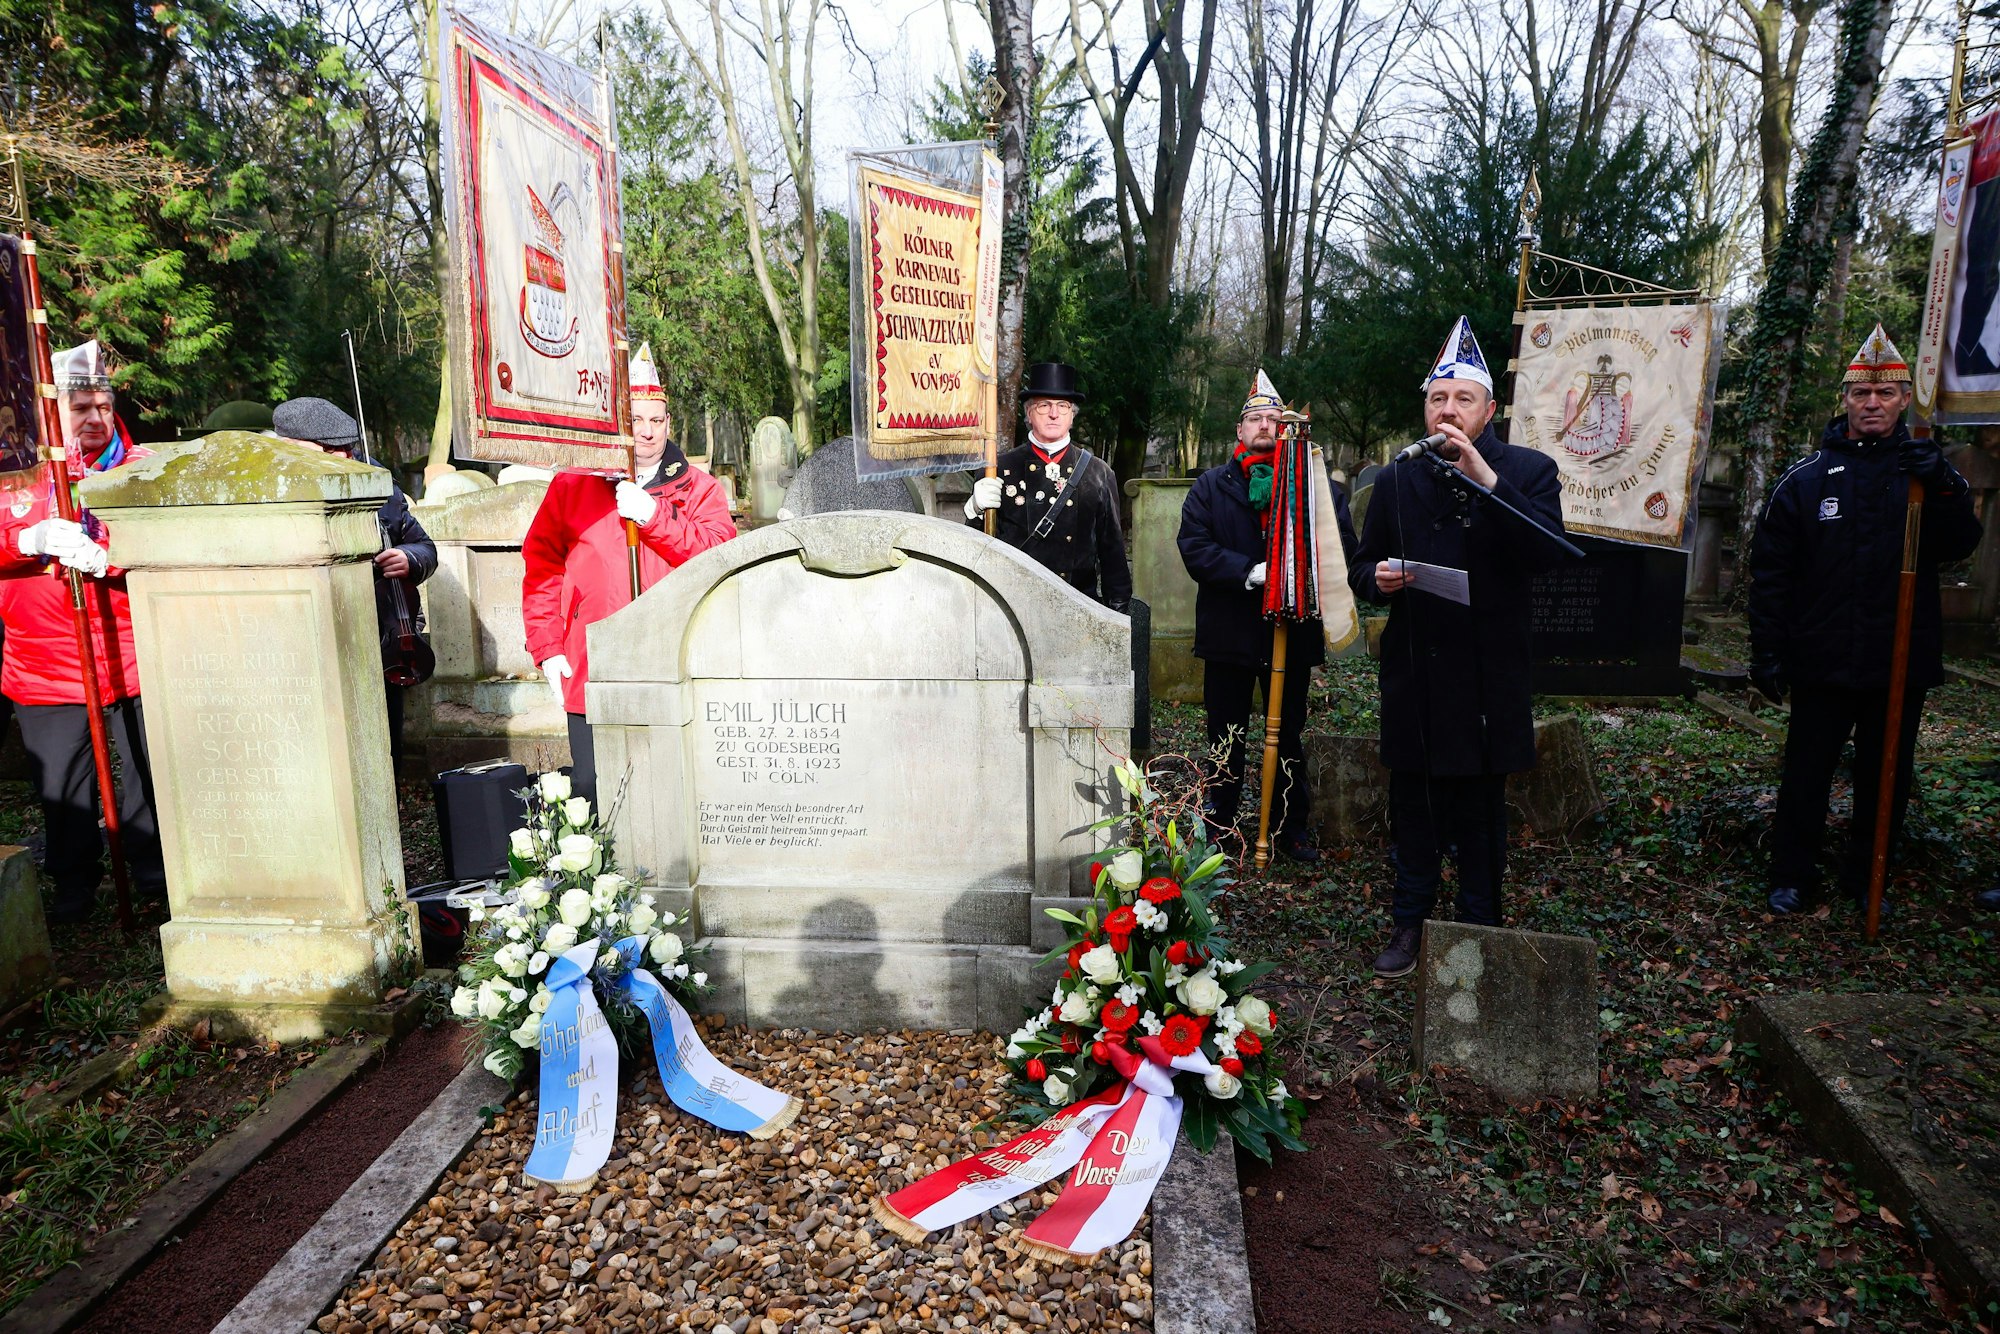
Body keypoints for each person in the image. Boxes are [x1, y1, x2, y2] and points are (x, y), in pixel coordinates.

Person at [1351, 319, 1566, 979]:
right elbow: (1363, 567)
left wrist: (1486, 481)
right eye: (1437, 399)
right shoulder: (1396, 479)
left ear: (1488, 411)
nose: (1448, 410)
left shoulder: (1528, 471)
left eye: (1462, 400)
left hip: (1488, 674)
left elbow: (1549, 554)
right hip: (1417, 671)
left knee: (1480, 817)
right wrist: (1378, 580)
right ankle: (1409, 923)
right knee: (1413, 811)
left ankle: (1478, 928)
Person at [1749, 324, 1983, 917]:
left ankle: (1866, 873)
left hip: (1897, 660)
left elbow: (1963, 543)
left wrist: (1943, 480)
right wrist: (1768, 651)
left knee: (1886, 777)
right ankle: (1791, 876)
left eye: (1884, 394)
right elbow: (1772, 576)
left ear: (1905, 398)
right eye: (1860, 395)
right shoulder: (1804, 482)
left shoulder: (1923, 478)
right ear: (1846, 401)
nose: (1871, 404)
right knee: (1807, 772)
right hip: (1822, 657)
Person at [522, 344, 736, 804]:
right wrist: (547, 647)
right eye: (636, 420)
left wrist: (656, 518)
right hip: (590, 658)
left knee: (668, 791)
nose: (647, 433)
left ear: (668, 423)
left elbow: (720, 555)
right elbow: (542, 565)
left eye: (656, 421)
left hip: (669, 657)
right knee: (592, 788)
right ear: (620, 420)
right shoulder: (573, 483)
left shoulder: (699, 489)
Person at [0, 340, 165, 922]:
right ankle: (74, 882)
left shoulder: (140, 467)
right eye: (81, 409)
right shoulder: (15, 474)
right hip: (44, 660)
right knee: (65, 786)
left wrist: (110, 557)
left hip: (132, 649)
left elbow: (162, 540)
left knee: (145, 769)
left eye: (103, 405)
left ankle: (153, 871)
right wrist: (27, 539)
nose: (95, 419)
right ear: (51, 413)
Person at [1177, 369, 1352, 865]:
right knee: (1225, 735)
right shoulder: (1211, 486)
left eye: (1275, 418)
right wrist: (1248, 572)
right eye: (1255, 418)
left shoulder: (1316, 486)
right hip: (1230, 632)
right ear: (1240, 430)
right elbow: (1194, 546)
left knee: (1289, 733)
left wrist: (1299, 570)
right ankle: (1219, 825)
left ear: (1289, 428)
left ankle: (1288, 829)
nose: (1265, 426)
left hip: (1291, 633)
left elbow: (1340, 548)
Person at [271, 396, 438, 768]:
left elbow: (424, 546)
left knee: (383, 751)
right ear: (290, 446)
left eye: (350, 448)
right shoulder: (272, 487)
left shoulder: (375, 479)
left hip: (380, 642)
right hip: (306, 650)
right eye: (331, 450)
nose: (347, 460)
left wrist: (408, 558)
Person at [964, 362, 1131, 611]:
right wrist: (974, 512)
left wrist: (1118, 609)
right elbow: (977, 549)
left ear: (1072, 415)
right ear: (1029, 413)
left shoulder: (1098, 473)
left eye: (1063, 406)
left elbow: (1112, 550)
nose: (1054, 414)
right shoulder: (997, 469)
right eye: (1044, 405)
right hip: (1014, 606)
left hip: (1078, 607)